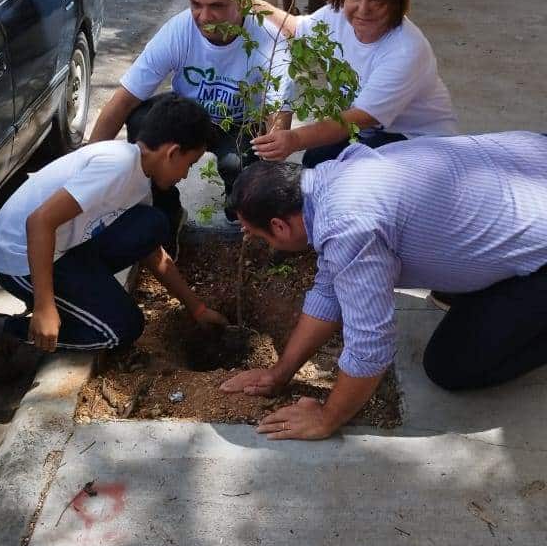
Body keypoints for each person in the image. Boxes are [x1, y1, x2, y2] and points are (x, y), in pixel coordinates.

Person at [222, 133, 547, 440]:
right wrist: (281, 373)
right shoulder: (331, 178)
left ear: (279, 225)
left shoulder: (347, 225)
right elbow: (329, 290)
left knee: (450, 366)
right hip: (533, 158)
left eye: (261, 236)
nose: (265, 244)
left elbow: (370, 345)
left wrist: (327, 418)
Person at [0, 96, 226, 381]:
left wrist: (197, 308)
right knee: (121, 329)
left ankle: (76, 299)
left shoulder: (139, 177)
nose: (185, 174)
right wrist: (45, 305)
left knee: (153, 224)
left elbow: (154, 253)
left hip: (63, 246)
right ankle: (2, 332)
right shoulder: (116, 166)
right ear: (172, 152)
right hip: (17, 256)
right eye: (189, 164)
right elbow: (39, 222)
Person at [88, 0, 292, 222]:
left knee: (239, 170)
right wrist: (88, 169)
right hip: (188, 115)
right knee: (140, 121)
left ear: (243, 1)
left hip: (241, 123)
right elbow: (123, 100)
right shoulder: (179, 31)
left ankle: (242, 217)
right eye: (195, 4)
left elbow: (278, 125)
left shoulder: (269, 40)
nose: (203, 16)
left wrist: (267, 198)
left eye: (216, 6)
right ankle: (166, 213)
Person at [252, 0, 457, 166]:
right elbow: (295, 28)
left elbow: (357, 119)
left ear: (396, 3)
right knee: (316, 159)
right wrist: (251, 4)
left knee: (352, 170)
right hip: (369, 133)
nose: (363, 9)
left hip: (416, 141)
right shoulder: (336, 16)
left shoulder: (405, 50)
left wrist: (294, 139)